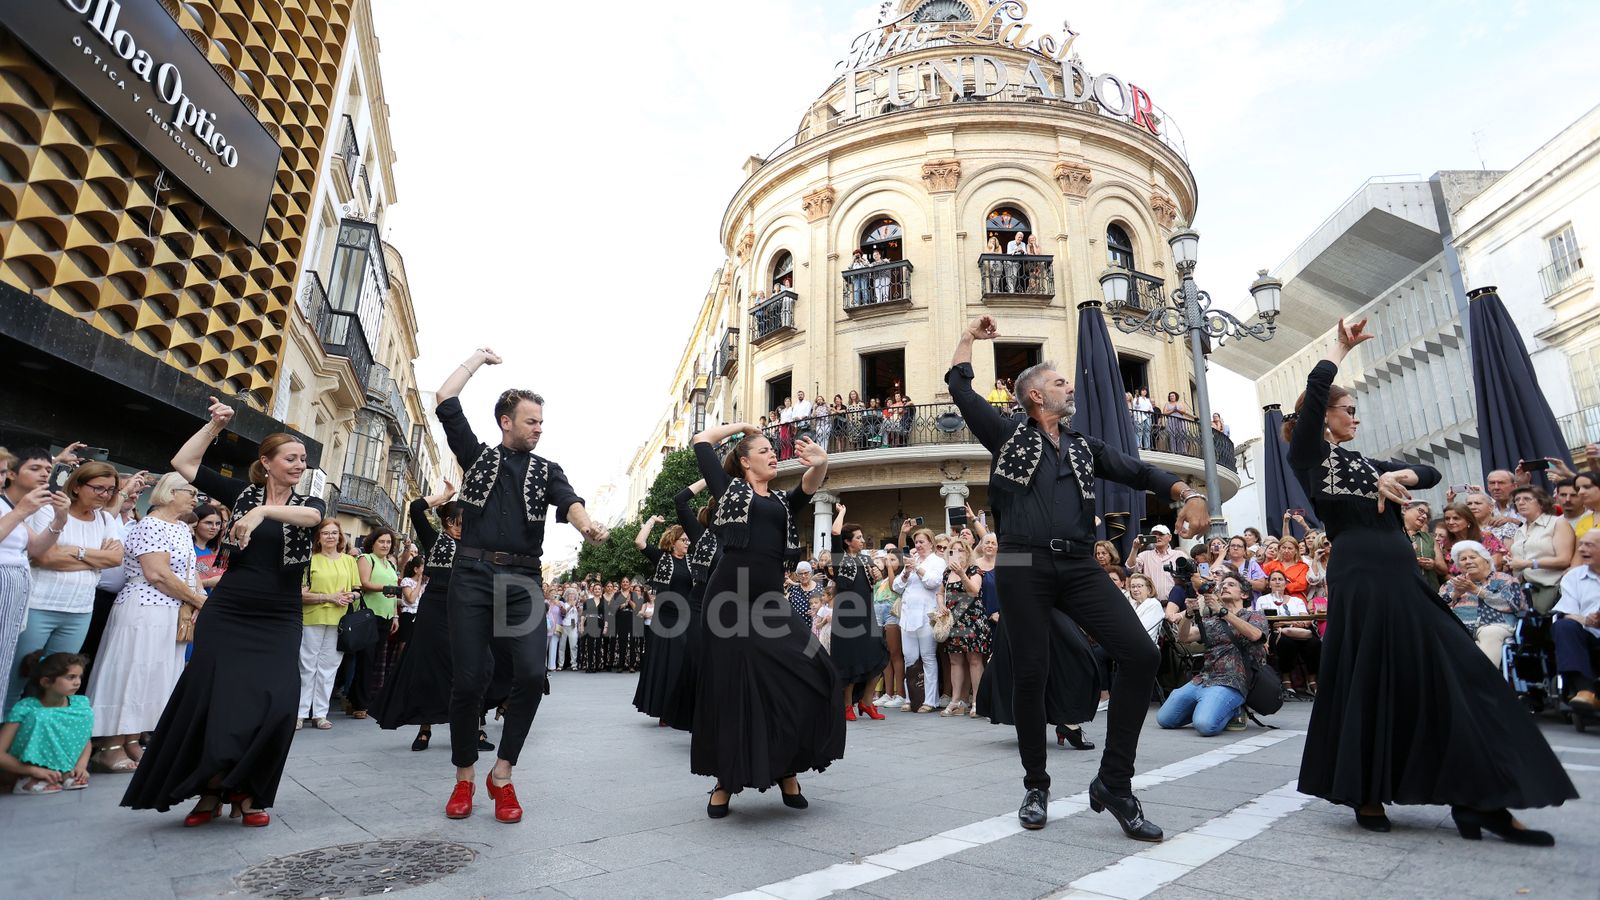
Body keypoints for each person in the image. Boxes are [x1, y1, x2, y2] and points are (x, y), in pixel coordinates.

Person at [1290, 317, 1573, 845]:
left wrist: (1400, 476)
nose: (1355, 416)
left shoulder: (1367, 463)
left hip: (1405, 581)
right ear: (1325, 416)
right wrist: (1339, 349)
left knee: (1457, 672)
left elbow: (1433, 473)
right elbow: (1311, 395)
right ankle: (1366, 789)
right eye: (1349, 409)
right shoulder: (1309, 459)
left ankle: (1481, 800)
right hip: (1361, 580)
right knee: (1368, 679)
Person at [947, 314, 1207, 837]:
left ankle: (1114, 782)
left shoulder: (1085, 446)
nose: (1070, 387)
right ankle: (1035, 784)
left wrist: (1186, 492)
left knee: (1140, 653)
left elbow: (1137, 470)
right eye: (1060, 382)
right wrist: (970, 338)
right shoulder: (1006, 433)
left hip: (1079, 563)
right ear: (1036, 397)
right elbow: (960, 387)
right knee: (1030, 673)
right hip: (1021, 562)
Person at [124, 399, 325, 827]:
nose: (299, 465)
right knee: (217, 701)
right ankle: (212, 790)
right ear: (266, 462)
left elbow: (310, 518)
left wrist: (263, 512)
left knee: (277, 703)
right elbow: (182, 461)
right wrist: (215, 426)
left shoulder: (308, 502)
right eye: (290, 458)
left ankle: (249, 791)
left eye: (303, 460)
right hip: (230, 609)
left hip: (280, 615)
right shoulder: (240, 492)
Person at [434, 347, 606, 824]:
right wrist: (476, 360)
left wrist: (587, 526)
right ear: (506, 421)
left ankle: (503, 774)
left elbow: (569, 501)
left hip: (524, 579)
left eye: (541, 422)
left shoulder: (547, 468)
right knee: (469, 679)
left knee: (532, 675)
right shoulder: (477, 455)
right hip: (470, 574)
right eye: (531, 421)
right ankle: (465, 777)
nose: (538, 428)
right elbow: (445, 397)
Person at [690, 421, 840, 818]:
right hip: (728, 601)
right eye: (764, 451)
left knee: (811, 668)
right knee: (732, 690)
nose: (774, 454)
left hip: (771, 602)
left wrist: (821, 463)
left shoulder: (780, 503)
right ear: (744, 462)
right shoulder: (729, 492)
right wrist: (743, 427)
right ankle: (725, 780)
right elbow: (701, 441)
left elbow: (810, 485)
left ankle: (787, 767)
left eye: (774, 450)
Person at [84, 473, 205, 772]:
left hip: (173, 609)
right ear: (169, 492)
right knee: (131, 670)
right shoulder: (150, 524)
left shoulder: (180, 528)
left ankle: (133, 740)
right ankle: (109, 745)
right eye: (190, 491)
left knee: (154, 674)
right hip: (144, 606)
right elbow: (157, 573)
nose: (196, 498)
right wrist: (199, 600)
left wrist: (197, 596)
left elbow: (190, 571)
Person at [8, 461, 123, 713]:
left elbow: (115, 559)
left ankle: (36, 739)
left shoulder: (105, 519)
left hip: (79, 611)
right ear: (78, 486)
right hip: (39, 605)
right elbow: (43, 557)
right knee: (20, 675)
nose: (105, 495)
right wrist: (94, 560)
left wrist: (72, 551)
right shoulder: (51, 510)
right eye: (99, 488)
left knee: (57, 682)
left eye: (111, 490)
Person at [1157, 572, 1266, 736]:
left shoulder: (1254, 615)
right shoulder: (1212, 619)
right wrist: (1188, 614)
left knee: (1205, 726)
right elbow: (1184, 637)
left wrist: (1223, 612)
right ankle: (1210, 706)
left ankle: (1234, 709)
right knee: (1165, 719)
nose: (1225, 587)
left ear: (1243, 594)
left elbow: (1256, 635)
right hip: (1204, 678)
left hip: (1233, 680)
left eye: (1231, 584)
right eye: (1223, 585)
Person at [0, 449, 67, 708]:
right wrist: (21, 511)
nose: (2, 478)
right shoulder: (14, 508)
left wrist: (59, 520)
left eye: (3, 472)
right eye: (2, 473)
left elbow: (37, 548)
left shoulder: (9, 506)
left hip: (13, 592)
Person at [827, 504, 888, 721]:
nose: (863, 540)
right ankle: (846, 706)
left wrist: (877, 573)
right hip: (846, 618)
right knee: (850, 662)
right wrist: (842, 512)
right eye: (859, 537)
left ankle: (866, 703)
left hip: (867, 615)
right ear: (847, 541)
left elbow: (875, 581)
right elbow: (835, 531)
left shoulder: (865, 559)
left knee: (879, 657)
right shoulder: (839, 557)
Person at [0, 650, 92, 794]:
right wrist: (34, 770)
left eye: (79, 677)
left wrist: (81, 766)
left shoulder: (80, 704)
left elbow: (84, 739)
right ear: (46, 682)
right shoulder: (26, 707)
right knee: (41, 716)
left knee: (78, 717)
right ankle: (27, 778)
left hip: (66, 766)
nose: (77, 682)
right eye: (71, 677)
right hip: (21, 768)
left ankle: (65, 772)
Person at [298, 519, 359, 731]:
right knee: (307, 666)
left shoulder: (349, 562)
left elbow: (357, 590)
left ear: (340, 536)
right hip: (312, 618)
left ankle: (320, 714)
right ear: (319, 537)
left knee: (329, 668)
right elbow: (301, 595)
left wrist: (350, 596)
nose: (330, 536)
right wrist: (329, 597)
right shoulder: (310, 560)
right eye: (325, 533)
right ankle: (300, 712)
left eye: (334, 532)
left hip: (339, 621)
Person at [632, 516, 693, 725]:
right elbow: (640, 542)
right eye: (684, 540)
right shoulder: (662, 558)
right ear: (673, 541)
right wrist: (650, 522)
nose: (687, 543)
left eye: (688, 540)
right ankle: (664, 710)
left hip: (686, 618)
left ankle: (681, 710)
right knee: (666, 664)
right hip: (665, 618)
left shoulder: (692, 561)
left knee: (683, 663)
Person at [1440, 540, 1524, 664]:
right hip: (1460, 628)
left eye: (1473, 557)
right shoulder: (1452, 585)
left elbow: (1516, 605)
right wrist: (1455, 594)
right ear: (1458, 566)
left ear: (1486, 560)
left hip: (1495, 625)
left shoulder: (1505, 579)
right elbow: (1436, 608)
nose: (1468, 561)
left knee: (1489, 633)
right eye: (1463, 559)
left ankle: (1485, 681)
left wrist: (1477, 591)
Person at [892, 527, 945, 713]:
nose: (919, 545)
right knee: (910, 659)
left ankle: (930, 700)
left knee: (928, 658)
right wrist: (906, 572)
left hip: (926, 615)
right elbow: (896, 586)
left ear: (931, 542)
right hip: (907, 616)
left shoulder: (937, 561)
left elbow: (933, 583)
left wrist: (918, 569)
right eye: (917, 542)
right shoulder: (911, 561)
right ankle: (911, 698)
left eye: (922, 541)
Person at [349, 528, 400, 719]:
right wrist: (386, 588)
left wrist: (395, 616)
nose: (385, 545)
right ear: (373, 542)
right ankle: (359, 703)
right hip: (369, 615)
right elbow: (364, 583)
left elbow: (395, 594)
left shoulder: (390, 564)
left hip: (386, 616)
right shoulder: (366, 558)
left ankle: (360, 698)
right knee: (366, 659)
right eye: (382, 541)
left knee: (377, 660)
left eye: (388, 542)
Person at [1505, 485, 1574, 615]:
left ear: (1541, 503)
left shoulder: (1557, 523)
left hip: (1550, 586)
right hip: (1524, 588)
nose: (1520, 502)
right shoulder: (1520, 530)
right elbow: (1519, 561)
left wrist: (1529, 563)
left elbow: (1565, 560)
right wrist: (1511, 561)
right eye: (1517, 499)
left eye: (1526, 499)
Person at [940, 537, 988, 719]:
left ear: (968, 552)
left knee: (974, 660)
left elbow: (974, 590)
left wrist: (961, 573)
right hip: (954, 619)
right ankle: (955, 700)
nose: (957, 554)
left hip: (972, 618)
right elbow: (939, 592)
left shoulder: (975, 570)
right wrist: (940, 604)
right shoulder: (946, 572)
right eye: (953, 551)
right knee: (955, 660)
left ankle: (977, 701)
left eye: (961, 550)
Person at [1553, 529, 1600, 711]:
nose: (1581, 550)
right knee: (1563, 626)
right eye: (1581, 544)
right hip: (1588, 633)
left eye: (1589, 545)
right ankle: (1585, 691)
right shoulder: (1574, 576)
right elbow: (1567, 612)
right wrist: (1587, 620)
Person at [873, 547, 907, 709]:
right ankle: (888, 693)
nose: (888, 562)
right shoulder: (882, 580)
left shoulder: (900, 577)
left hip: (893, 617)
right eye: (887, 559)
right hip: (879, 618)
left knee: (895, 654)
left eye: (892, 560)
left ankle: (900, 693)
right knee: (885, 655)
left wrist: (889, 569)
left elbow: (895, 587)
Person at [1133, 525, 1186, 601]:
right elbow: (1131, 568)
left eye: (1161, 534)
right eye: (1154, 535)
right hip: (1151, 604)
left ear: (1170, 537)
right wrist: (1134, 548)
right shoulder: (1144, 555)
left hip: (1175, 604)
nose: (1157, 537)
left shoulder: (1179, 554)